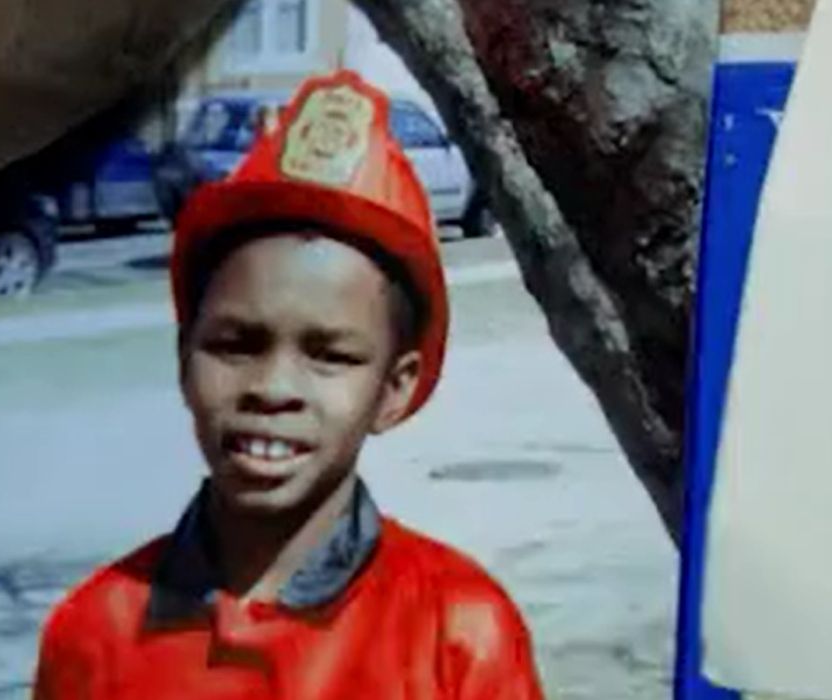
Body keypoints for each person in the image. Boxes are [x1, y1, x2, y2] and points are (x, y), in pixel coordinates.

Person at [32, 70, 544, 699]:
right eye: (235, 344)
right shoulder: (95, 630)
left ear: (395, 388)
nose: (273, 387)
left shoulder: (459, 633)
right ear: (183, 355)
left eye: (329, 355)